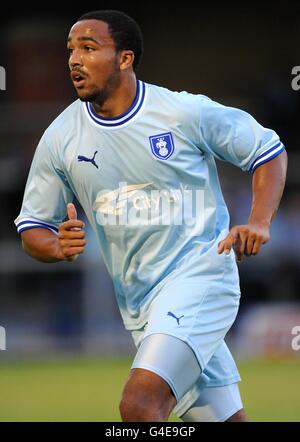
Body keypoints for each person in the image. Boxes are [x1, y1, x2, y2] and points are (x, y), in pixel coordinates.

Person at [15, 10, 287, 422]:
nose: (74, 59)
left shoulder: (182, 112)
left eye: (89, 48)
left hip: (201, 279)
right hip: (142, 305)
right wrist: (55, 245)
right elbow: (33, 226)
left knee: (139, 406)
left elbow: (268, 151)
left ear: (125, 59)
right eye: (71, 50)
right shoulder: (60, 138)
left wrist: (259, 221)